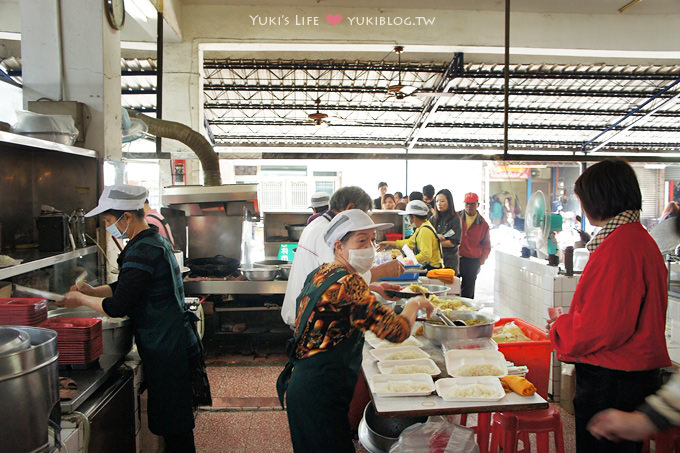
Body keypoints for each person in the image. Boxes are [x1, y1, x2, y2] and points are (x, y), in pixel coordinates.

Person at [60, 185, 211, 453]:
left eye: (108, 221)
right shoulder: (152, 241)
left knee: (175, 427)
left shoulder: (143, 249)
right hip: (172, 342)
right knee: (175, 423)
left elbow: (118, 306)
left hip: (167, 348)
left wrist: (81, 300)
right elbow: (128, 287)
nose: (108, 227)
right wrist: (93, 292)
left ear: (126, 217)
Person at [277, 209, 434, 452]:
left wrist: (372, 287)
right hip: (319, 394)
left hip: (306, 386)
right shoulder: (349, 284)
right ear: (339, 246)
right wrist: (414, 303)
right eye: (362, 240)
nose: (370, 247)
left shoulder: (324, 272)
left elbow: (336, 298)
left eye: (372, 239)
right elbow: (397, 331)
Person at [547, 159, 670, 453]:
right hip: (629, 373)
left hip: (613, 377)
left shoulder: (621, 246)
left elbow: (604, 326)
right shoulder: (636, 238)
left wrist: (561, 328)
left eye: (583, 200)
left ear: (599, 198)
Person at [281, 186, 404, 328]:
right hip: (311, 318)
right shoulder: (327, 232)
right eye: (362, 215)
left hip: (309, 312)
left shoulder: (320, 223)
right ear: (350, 207)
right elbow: (338, 279)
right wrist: (381, 272)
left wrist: (375, 287)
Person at [379, 200, 443, 270]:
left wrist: (405, 261)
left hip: (433, 269)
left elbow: (425, 255)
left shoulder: (425, 230)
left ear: (414, 217)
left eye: (408, 217)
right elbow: (410, 243)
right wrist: (389, 243)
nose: (408, 220)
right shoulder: (421, 228)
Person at [458, 192, 491, 299]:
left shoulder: (483, 224)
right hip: (456, 258)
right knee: (452, 288)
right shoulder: (456, 217)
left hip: (472, 261)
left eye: (472, 204)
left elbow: (487, 245)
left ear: (478, 205)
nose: (469, 206)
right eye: (467, 204)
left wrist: (480, 261)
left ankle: (465, 314)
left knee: (468, 292)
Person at [430, 189, 461, 273]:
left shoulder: (455, 219)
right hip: (434, 262)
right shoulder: (433, 219)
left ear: (449, 202)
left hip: (449, 262)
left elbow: (453, 242)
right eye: (437, 201)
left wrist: (434, 242)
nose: (439, 203)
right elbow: (428, 236)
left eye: (442, 201)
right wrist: (437, 238)